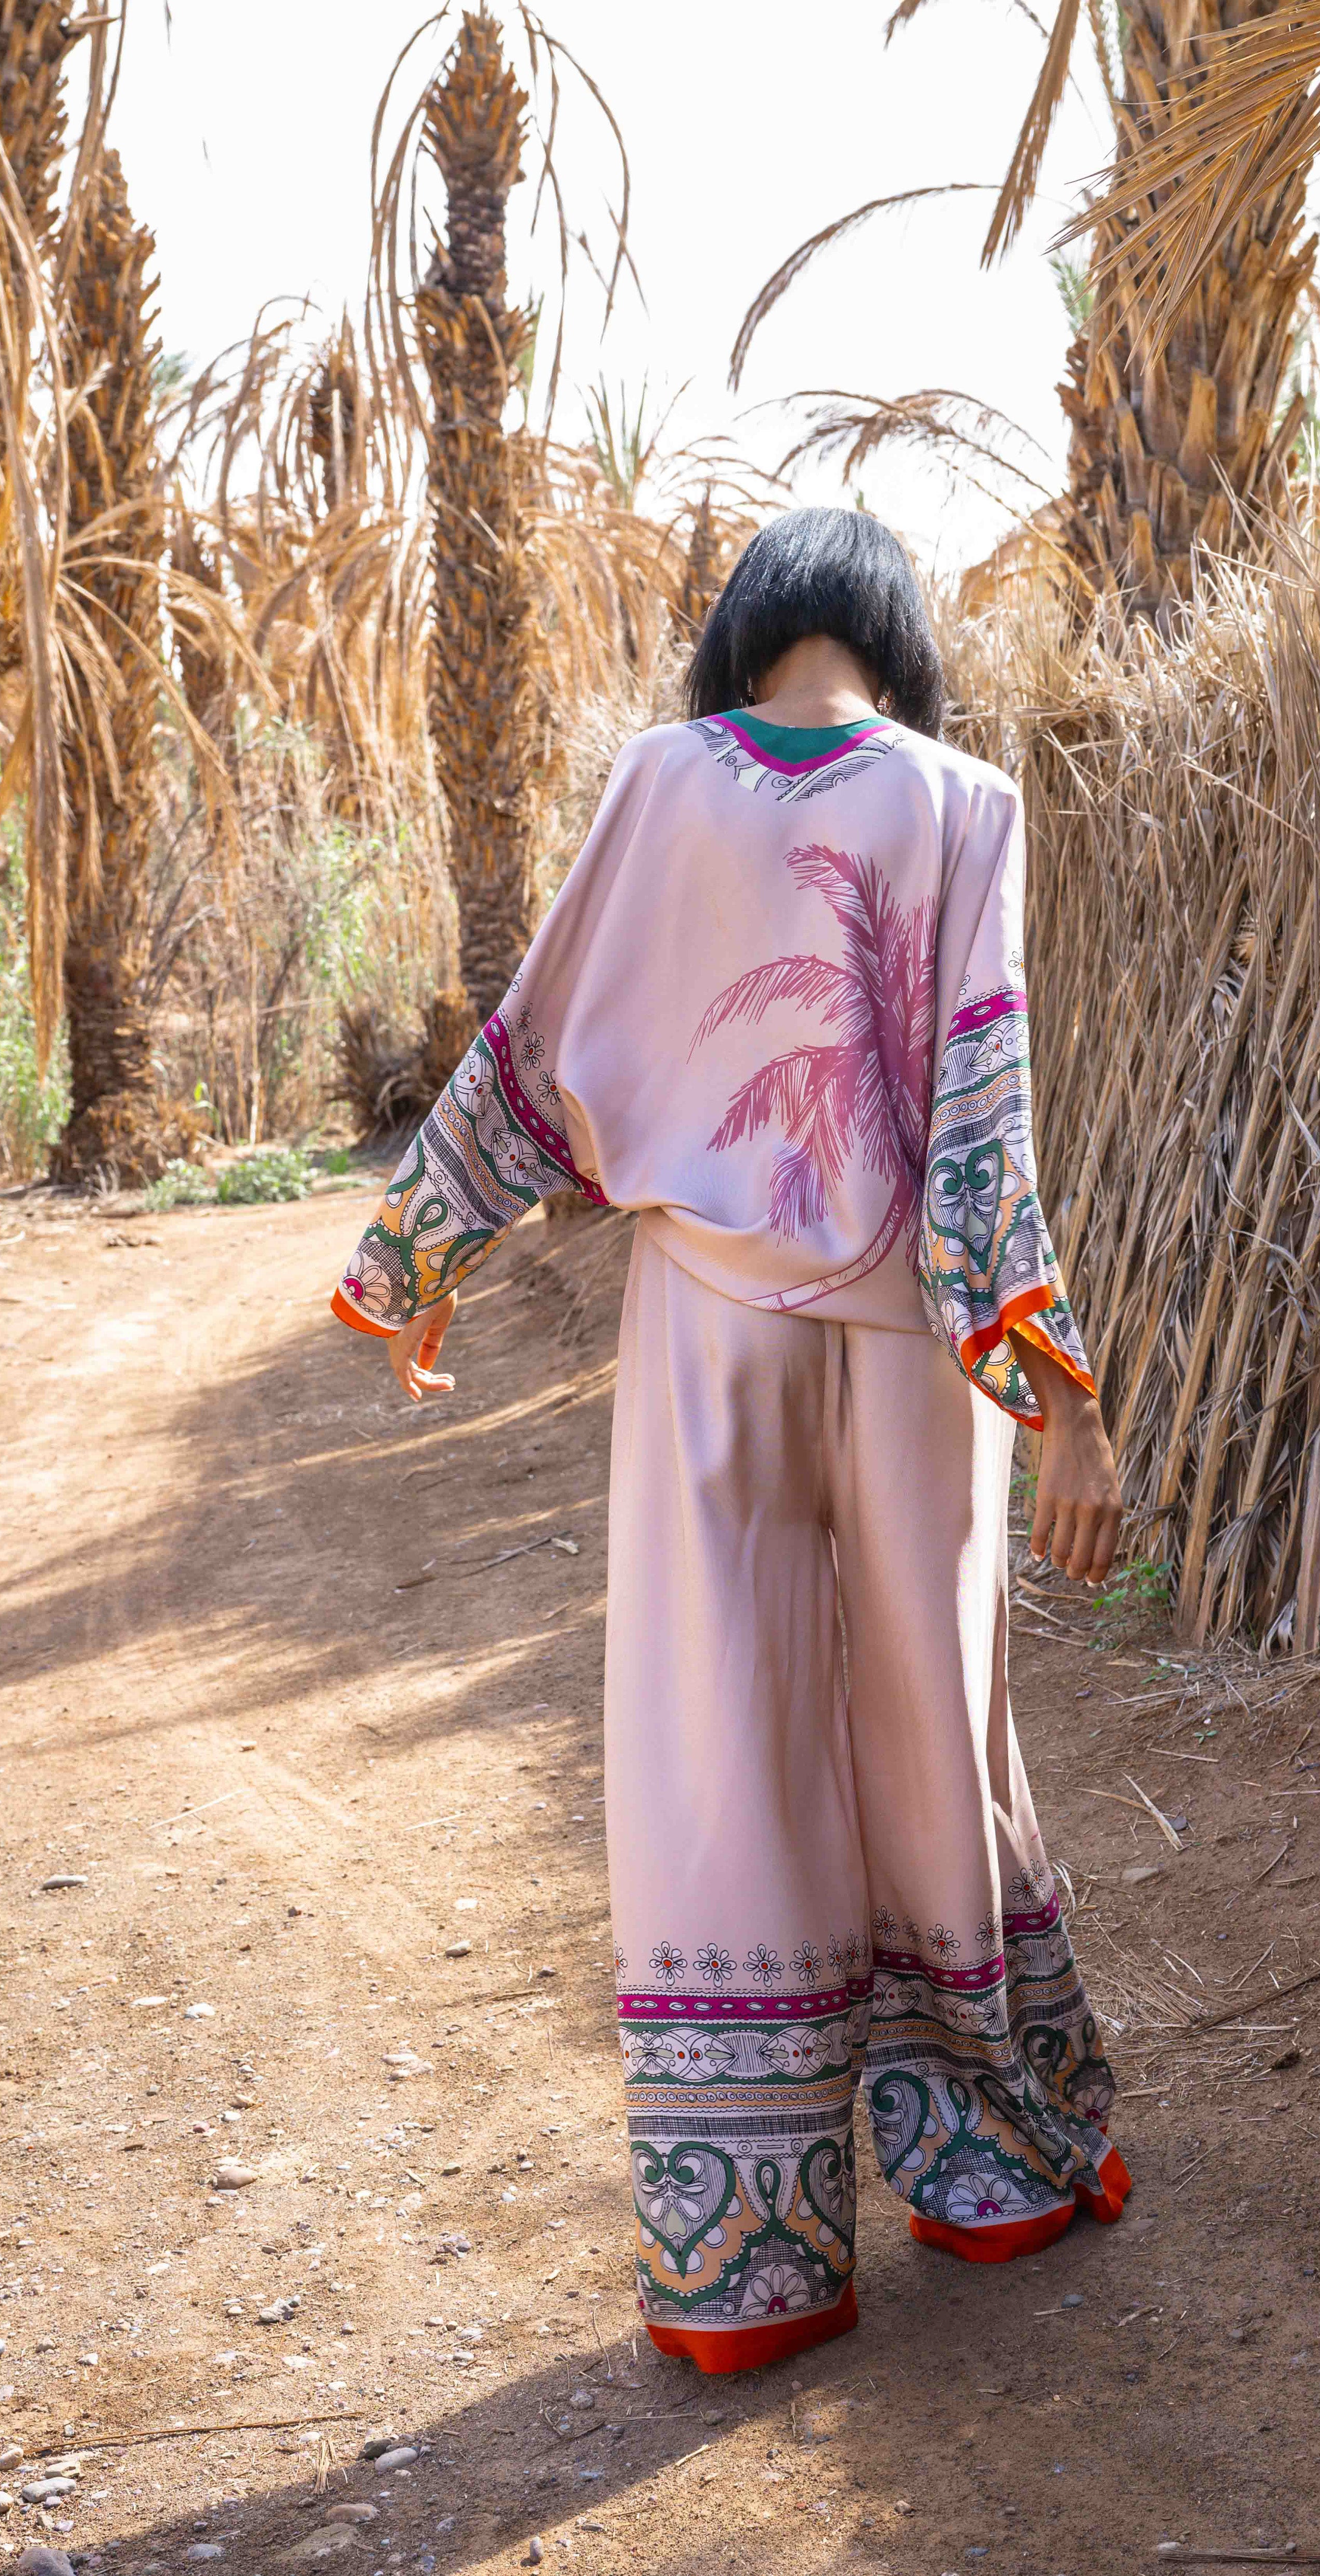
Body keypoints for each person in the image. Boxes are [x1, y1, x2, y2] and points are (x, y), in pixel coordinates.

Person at [331, 507, 1132, 2375]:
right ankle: (990, 2171)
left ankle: (750, 2270)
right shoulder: (961, 803)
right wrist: (1066, 1404)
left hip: (702, 1332)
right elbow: (983, 1135)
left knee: (719, 1742)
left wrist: (417, 1262)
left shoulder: (652, 781)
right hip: (915, 1349)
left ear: (741, 634)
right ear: (896, 641)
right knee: (931, 1723)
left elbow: (545, 1050)